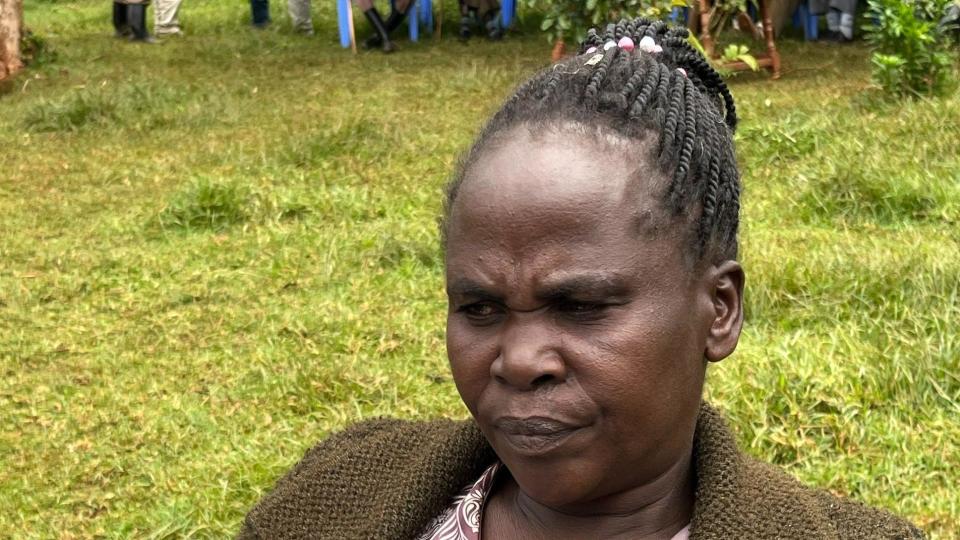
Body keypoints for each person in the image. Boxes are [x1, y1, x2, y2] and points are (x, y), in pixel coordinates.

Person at [237, 17, 924, 539]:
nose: (519, 360)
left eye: (582, 305)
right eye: (479, 308)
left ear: (719, 310)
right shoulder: (335, 494)